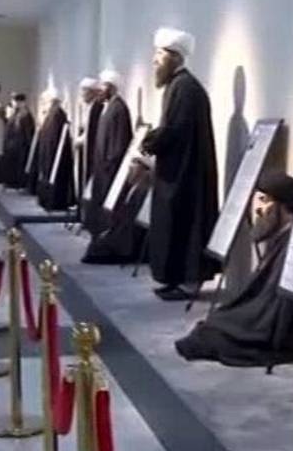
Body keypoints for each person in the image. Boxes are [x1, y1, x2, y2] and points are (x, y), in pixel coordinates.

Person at [175, 171, 293, 366]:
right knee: (216, 322)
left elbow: (276, 307)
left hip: (289, 329)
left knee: (216, 333)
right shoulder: (280, 238)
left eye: (265, 201)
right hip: (271, 316)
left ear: (283, 207)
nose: (257, 209)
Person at [140, 27, 220, 301]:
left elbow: (175, 131)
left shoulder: (185, 88)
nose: (154, 60)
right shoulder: (179, 86)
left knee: (185, 225)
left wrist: (149, 141)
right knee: (172, 226)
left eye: (160, 54)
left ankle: (186, 280)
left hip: (186, 176)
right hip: (176, 172)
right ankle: (175, 279)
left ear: (175, 57)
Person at [85, 69, 133, 231]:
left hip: (109, 170)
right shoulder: (109, 107)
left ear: (111, 87)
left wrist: (109, 164)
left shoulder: (119, 109)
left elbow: (118, 143)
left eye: (104, 85)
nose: (100, 89)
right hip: (102, 168)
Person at [82, 155, 152, 264]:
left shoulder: (143, 189)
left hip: (131, 238)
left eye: (135, 167)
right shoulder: (134, 188)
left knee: (99, 249)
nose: (130, 170)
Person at [33, 90, 75, 211]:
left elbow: (55, 137)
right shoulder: (51, 113)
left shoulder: (57, 114)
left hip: (54, 154)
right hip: (49, 153)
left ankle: (56, 202)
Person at [74, 77, 104, 202]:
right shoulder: (89, 107)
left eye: (84, 90)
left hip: (91, 151)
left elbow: (92, 131)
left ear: (92, 92)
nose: (82, 94)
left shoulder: (97, 108)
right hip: (84, 151)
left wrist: (81, 139)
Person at [1, 93, 35, 188]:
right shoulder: (15, 114)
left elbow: (28, 132)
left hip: (21, 145)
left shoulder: (25, 115)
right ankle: (12, 182)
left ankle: (20, 183)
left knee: (20, 165)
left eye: (17, 102)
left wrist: (28, 144)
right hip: (13, 145)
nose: (16, 104)